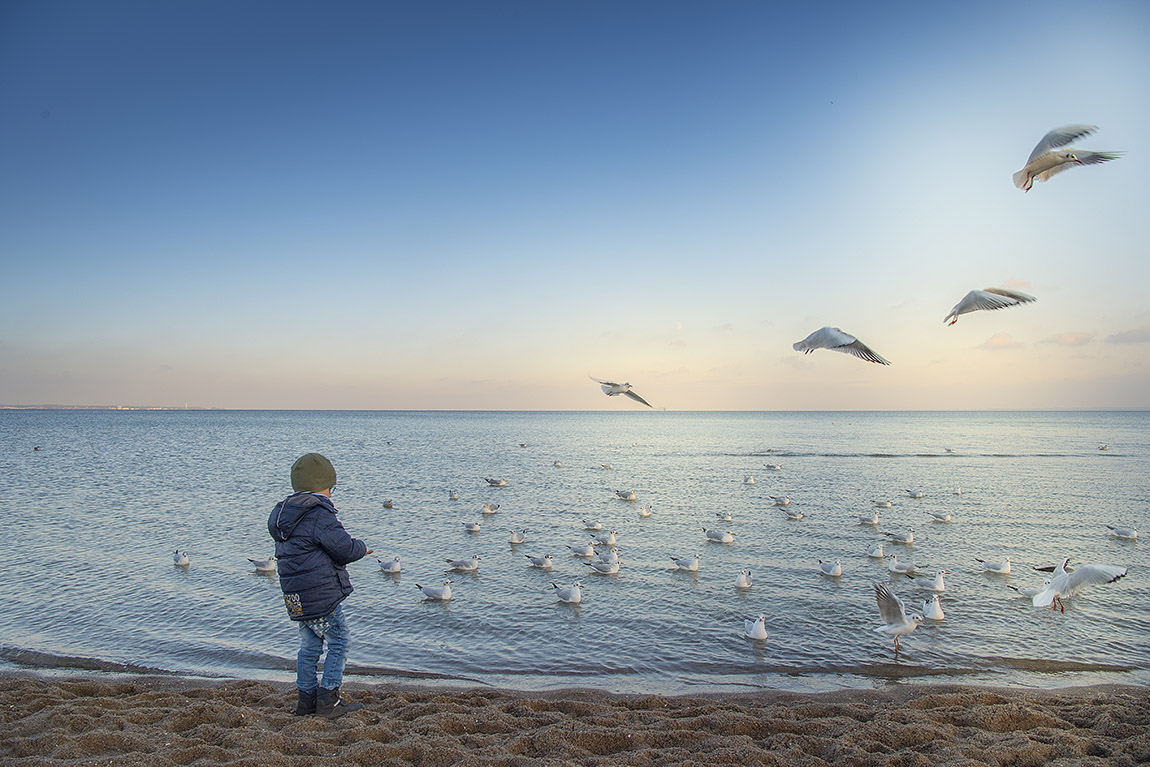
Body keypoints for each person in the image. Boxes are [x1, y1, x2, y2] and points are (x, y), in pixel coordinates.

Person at [269, 452, 371, 719]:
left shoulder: (284, 515)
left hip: (295, 594)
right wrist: (362, 548)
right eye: (331, 488)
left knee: (310, 644)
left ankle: (306, 701)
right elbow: (344, 548)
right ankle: (328, 700)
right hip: (319, 596)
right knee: (339, 640)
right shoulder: (318, 514)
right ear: (325, 487)